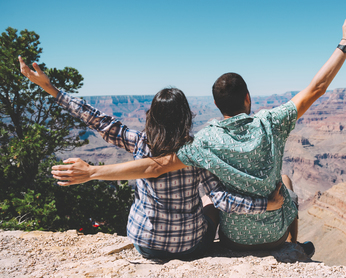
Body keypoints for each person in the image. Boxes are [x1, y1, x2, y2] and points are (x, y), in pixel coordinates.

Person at [49, 6, 346, 256]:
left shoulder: (205, 141)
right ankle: (296, 246)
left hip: (204, 239)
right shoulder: (272, 121)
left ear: (217, 107)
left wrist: (92, 171)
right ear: (247, 99)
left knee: (210, 199)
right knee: (285, 183)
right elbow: (316, 88)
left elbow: (149, 161)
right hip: (264, 233)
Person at [18, 57, 285, 260]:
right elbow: (221, 198)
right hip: (189, 247)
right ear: (186, 118)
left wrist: (54, 90)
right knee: (209, 204)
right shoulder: (195, 154)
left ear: (152, 116)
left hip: (145, 244)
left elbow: (98, 120)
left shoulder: (138, 142)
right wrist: (266, 205)